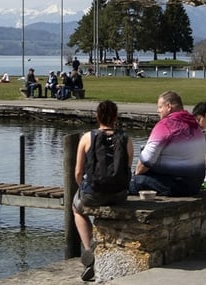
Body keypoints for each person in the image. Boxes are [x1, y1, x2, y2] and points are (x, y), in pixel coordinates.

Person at [72, 100, 133, 282]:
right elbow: (128, 168)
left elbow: (78, 172)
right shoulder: (126, 138)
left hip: (94, 192)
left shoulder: (87, 138)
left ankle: (90, 250)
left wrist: (81, 187)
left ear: (97, 116)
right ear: (116, 117)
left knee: (76, 209)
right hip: (119, 194)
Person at [130, 91, 206, 197]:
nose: (158, 111)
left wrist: (135, 176)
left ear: (169, 106)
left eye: (160, 107)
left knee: (127, 182)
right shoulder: (195, 125)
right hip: (195, 184)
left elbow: (143, 164)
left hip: (176, 185)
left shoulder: (165, 125)